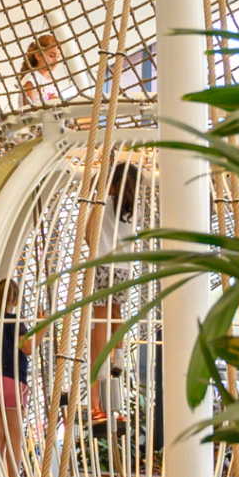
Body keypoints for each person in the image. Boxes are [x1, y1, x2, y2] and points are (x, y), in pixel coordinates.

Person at [86, 161, 140, 421]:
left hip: (102, 265)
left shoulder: (104, 203)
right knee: (116, 312)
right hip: (123, 270)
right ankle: (117, 357)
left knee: (99, 320)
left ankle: (105, 369)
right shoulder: (134, 209)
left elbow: (88, 235)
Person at [0, 278, 42, 477]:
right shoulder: (13, 320)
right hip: (12, 379)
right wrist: (43, 327)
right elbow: (27, 348)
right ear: (16, 300)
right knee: (14, 434)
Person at [19, 34, 64, 107]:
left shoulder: (50, 81)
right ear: (38, 56)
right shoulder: (32, 77)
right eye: (51, 56)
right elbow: (28, 108)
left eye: (58, 56)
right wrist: (48, 104)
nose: (56, 60)